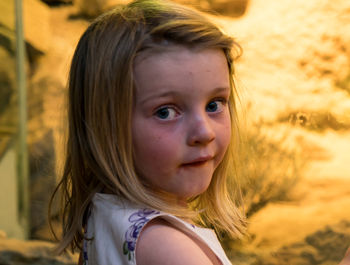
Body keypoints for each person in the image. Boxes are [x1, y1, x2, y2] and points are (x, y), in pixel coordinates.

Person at [49, 0, 350, 264]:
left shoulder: (108, 214)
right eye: (166, 112)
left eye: (215, 104)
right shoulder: (169, 247)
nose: (204, 132)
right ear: (105, 129)